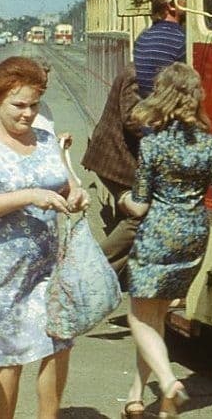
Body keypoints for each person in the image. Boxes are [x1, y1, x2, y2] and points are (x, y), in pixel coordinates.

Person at [0, 56, 89, 419]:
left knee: (57, 344)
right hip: (0, 273)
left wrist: (75, 194)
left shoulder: (46, 140)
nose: (28, 114)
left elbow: (66, 182)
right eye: (19, 105)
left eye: (34, 105)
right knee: (11, 356)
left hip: (46, 266)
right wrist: (29, 195)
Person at [119, 63, 212, 419]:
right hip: (193, 238)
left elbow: (140, 204)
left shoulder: (153, 145)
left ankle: (168, 382)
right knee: (155, 317)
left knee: (139, 318)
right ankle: (136, 398)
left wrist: (122, 201)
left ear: (162, 96)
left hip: (157, 237)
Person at [80, 63, 142, 283]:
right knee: (139, 215)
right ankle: (92, 276)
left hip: (119, 160)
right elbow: (133, 119)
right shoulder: (136, 74)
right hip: (116, 161)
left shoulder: (141, 70)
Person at [133, 0, 186, 98]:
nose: (186, 3)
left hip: (147, 110)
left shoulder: (142, 38)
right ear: (171, 5)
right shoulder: (180, 40)